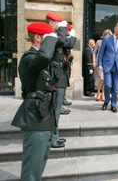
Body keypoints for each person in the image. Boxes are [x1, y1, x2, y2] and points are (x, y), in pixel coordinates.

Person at [11, 22, 58, 180]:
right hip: (34, 117)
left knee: (39, 163)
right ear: (38, 37)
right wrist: (52, 37)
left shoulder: (41, 60)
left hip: (43, 115)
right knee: (32, 169)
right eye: (46, 38)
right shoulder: (29, 58)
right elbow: (44, 56)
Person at [46, 12, 68, 148]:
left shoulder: (54, 36)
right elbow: (61, 41)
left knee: (57, 110)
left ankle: (54, 135)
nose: (59, 26)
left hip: (58, 77)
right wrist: (63, 29)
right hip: (55, 78)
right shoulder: (50, 36)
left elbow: (66, 43)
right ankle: (52, 138)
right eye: (57, 24)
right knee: (55, 110)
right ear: (51, 23)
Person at [97, 23, 118, 113]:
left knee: (115, 87)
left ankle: (113, 105)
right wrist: (100, 64)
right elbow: (101, 53)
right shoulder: (106, 39)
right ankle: (106, 101)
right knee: (108, 85)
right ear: (114, 30)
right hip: (107, 66)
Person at [94, 29, 113, 102]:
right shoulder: (99, 42)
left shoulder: (111, 43)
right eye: (106, 35)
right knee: (101, 78)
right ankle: (98, 92)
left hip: (107, 62)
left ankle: (103, 93)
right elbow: (94, 52)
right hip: (100, 61)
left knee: (105, 79)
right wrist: (94, 61)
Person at [62, 23, 76, 106]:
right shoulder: (62, 39)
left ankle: (63, 98)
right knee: (62, 84)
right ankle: (61, 100)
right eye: (68, 30)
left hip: (66, 65)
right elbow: (70, 45)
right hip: (61, 66)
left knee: (65, 83)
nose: (70, 32)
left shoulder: (65, 39)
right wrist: (73, 37)